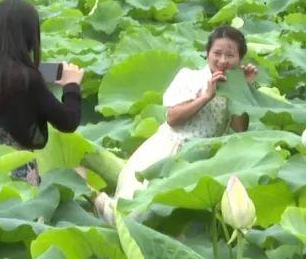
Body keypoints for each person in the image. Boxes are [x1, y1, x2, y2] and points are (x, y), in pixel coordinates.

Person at [96, 26, 257, 216]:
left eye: (230, 55)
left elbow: (240, 128)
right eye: (217, 53)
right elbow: (172, 118)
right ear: (207, 53)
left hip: (202, 160)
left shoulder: (233, 90)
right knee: (134, 212)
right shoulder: (189, 77)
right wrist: (206, 96)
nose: (222, 60)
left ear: (240, 60)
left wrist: (242, 89)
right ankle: (96, 200)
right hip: (169, 152)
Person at [0, 0, 85, 185]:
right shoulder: (27, 79)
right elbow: (67, 121)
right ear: (29, 36)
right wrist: (71, 86)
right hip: (16, 178)